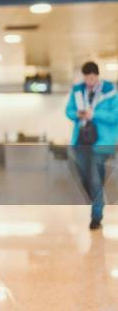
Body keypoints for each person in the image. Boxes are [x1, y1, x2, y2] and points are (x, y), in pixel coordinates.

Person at [66, 61, 118, 230]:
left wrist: (94, 114)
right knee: (84, 177)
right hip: (81, 141)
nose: (90, 81)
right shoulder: (77, 91)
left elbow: (114, 116)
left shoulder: (110, 91)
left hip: (101, 142)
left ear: (97, 76)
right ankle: (98, 198)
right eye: (87, 78)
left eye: (93, 77)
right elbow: (68, 111)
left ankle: (96, 217)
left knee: (95, 179)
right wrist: (78, 114)